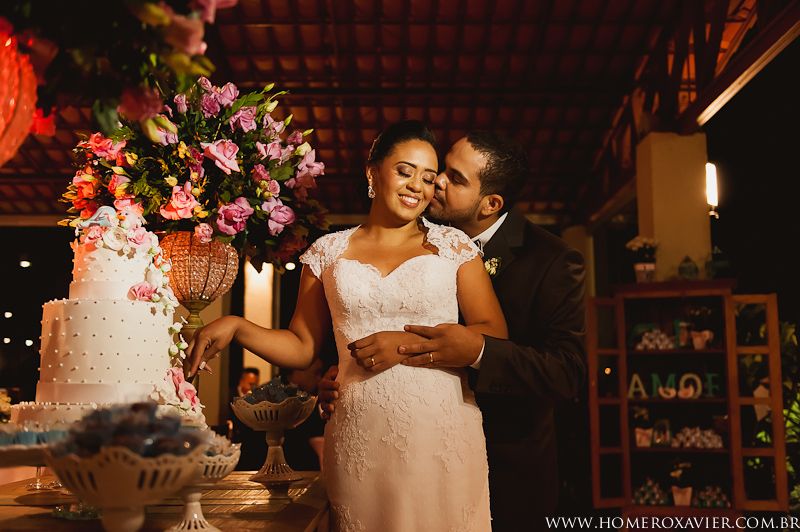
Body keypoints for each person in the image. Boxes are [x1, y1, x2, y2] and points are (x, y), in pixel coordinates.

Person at [185, 120, 508, 531]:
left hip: (442, 435)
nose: (417, 187)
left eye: (428, 178)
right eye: (404, 171)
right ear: (372, 171)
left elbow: (493, 336)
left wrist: (406, 346)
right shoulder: (327, 253)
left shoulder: (454, 247)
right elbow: (302, 345)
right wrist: (236, 326)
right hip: (360, 435)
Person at [321, 131, 587, 531]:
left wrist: (478, 350)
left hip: (506, 464)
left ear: (491, 203)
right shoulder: (411, 243)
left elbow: (567, 372)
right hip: (398, 452)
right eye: (440, 170)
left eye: (455, 178)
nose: (436, 181)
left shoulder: (551, 260)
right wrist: (340, 371)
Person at [229, 367, 265, 470]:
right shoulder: (229, 394)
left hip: (253, 441)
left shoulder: (258, 398)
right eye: (250, 384)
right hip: (236, 441)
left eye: (255, 384)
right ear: (242, 381)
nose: (253, 387)